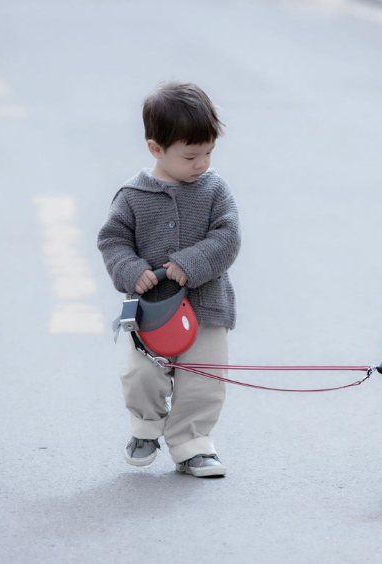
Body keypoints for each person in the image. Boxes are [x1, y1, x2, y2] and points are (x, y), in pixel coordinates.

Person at [97, 81, 241, 477]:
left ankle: (192, 443)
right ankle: (145, 428)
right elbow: (112, 240)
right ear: (155, 149)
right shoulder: (132, 196)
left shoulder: (215, 191)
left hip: (207, 307)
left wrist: (191, 262)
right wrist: (131, 270)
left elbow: (228, 237)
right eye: (191, 155)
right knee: (142, 372)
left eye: (209, 152)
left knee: (204, 379)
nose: (202, 164)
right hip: (151, 311)